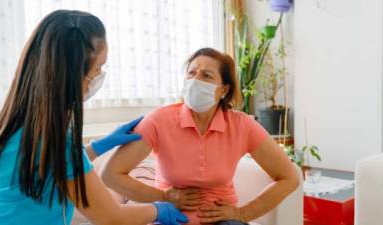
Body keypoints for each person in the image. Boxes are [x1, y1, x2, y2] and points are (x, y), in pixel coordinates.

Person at [0, 10, 188, 225]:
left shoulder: (7, 132)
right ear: (73, 74)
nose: (98, 77)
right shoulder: (57, 142)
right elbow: (111, 217)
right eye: (98, 67)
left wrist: (98, 147)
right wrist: (158, 209)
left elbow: (50, 167)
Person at [100, 48, 300, 225]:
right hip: (170, 217)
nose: (196, 80)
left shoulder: (242, 125)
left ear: (224, 90)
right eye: (191, 73)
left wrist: (243, 213)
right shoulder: (158, 120)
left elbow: (289, 177)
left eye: (206, 75)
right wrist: (162, 196)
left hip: (222, 220)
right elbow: (111, 175)